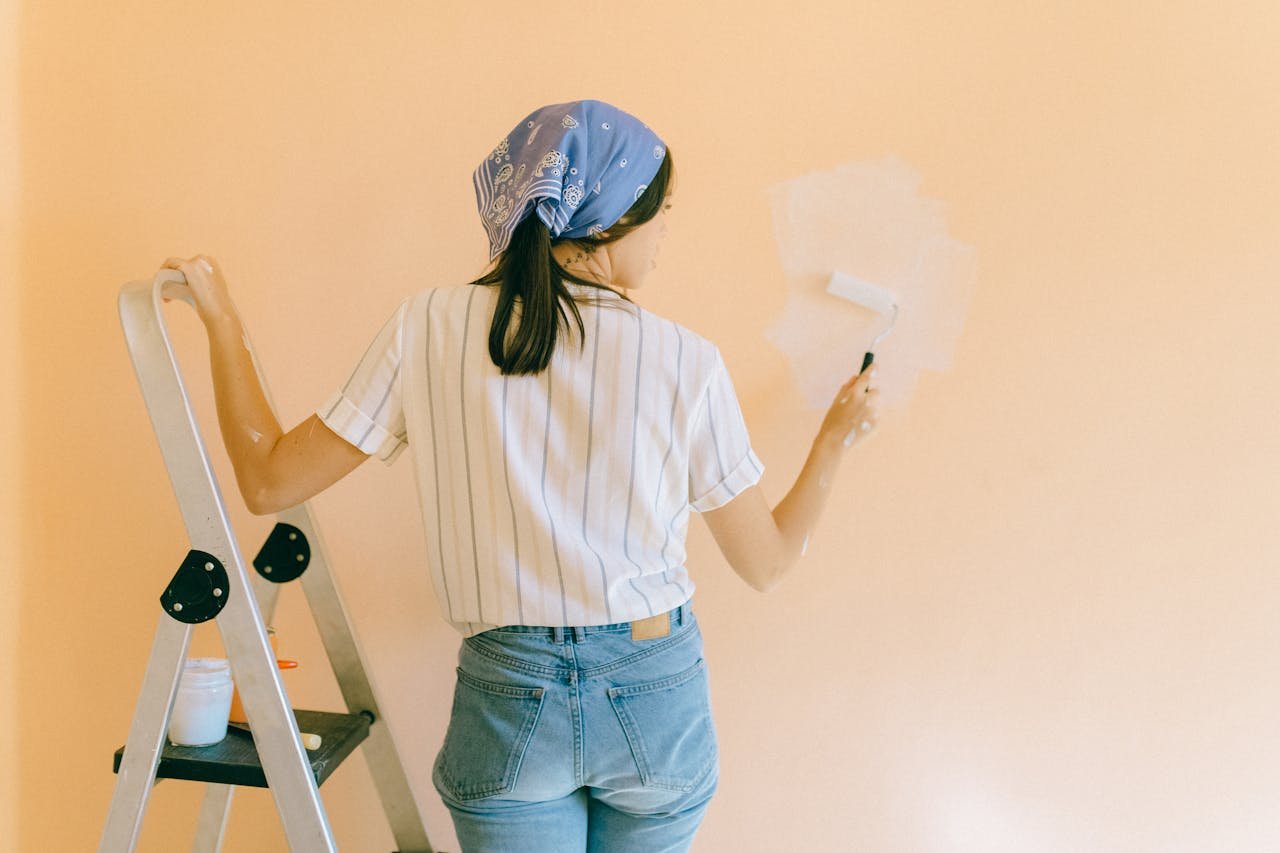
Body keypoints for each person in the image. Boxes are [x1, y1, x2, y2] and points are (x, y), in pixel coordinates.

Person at [160, 98, 879, 853]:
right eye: (660, 213)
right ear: (603, 222)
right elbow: (765, 562)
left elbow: (269, 480)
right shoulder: (684, 360)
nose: (666, 234)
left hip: (512, 699)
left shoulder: (427, 326)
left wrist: (223, 323)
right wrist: (833, 440)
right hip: (654, 695)